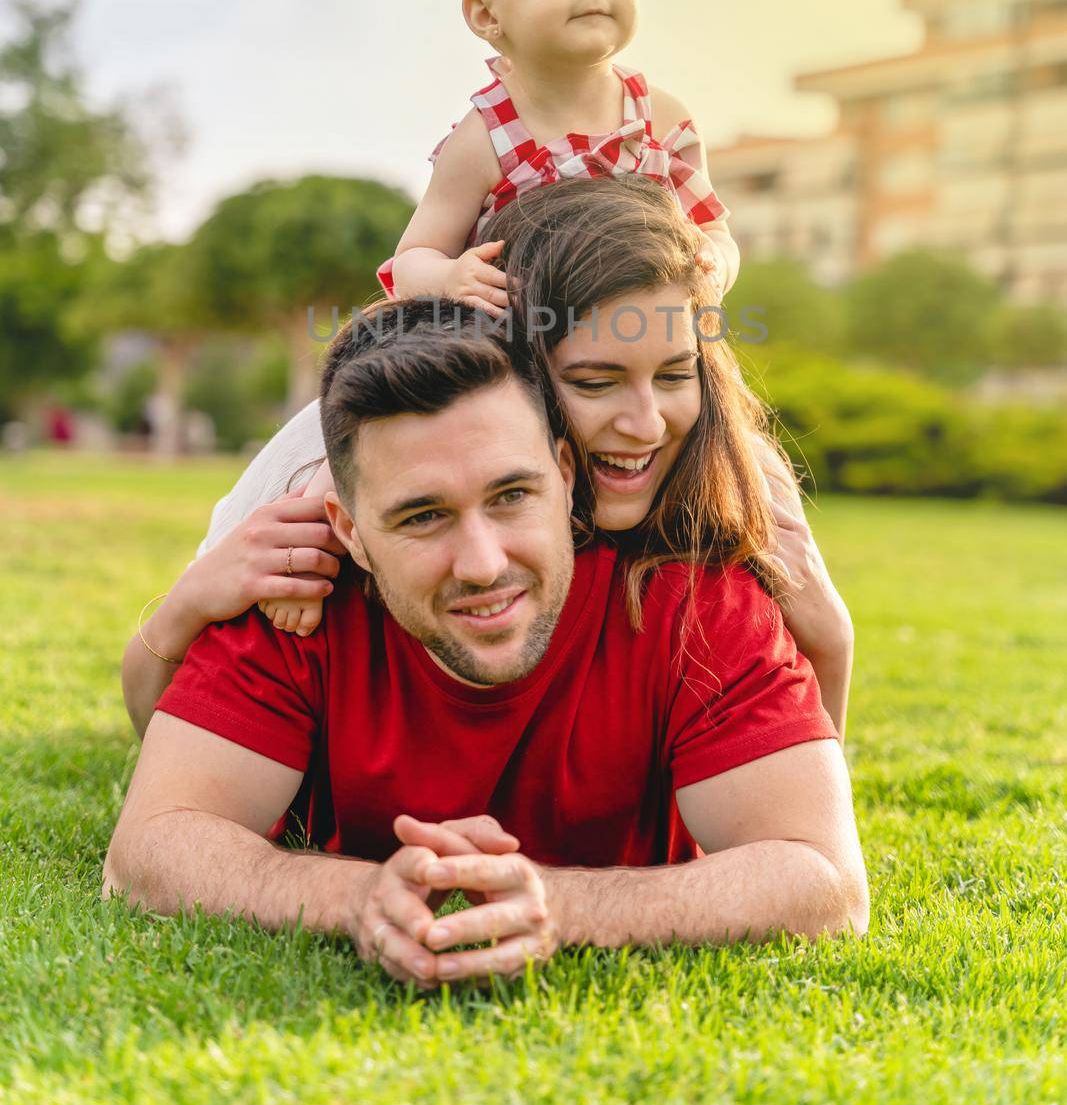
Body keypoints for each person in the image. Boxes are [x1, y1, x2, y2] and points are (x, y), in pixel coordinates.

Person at [104, 295, 868, 986]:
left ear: (567, 474)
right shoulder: (297, 594)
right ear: (349, 529)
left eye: (511, 495)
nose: (482, 564)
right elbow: (149, 850)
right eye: (422, 516)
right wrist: (361, 895)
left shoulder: (691, 602)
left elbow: (823, 879)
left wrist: (557, 907)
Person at [121, 177, 854, 742]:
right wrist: (187, 603)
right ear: (510, 366)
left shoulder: (727, 464)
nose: (643, 423)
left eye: (672, 374)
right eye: (592, 382)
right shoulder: (337, 476)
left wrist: (829, 633)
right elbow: (172, 726)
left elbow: (803, 759)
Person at [256, 0, 740, 633]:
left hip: (633, 350)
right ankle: (306, 553)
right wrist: (444, 281)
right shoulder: (483, 138)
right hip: (504, 354)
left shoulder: (664, 117)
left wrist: (711, 266)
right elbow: (412, 255)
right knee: (359, 431)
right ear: (486, 15)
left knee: (740, 462)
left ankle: (793, 597)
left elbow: (713, 228)